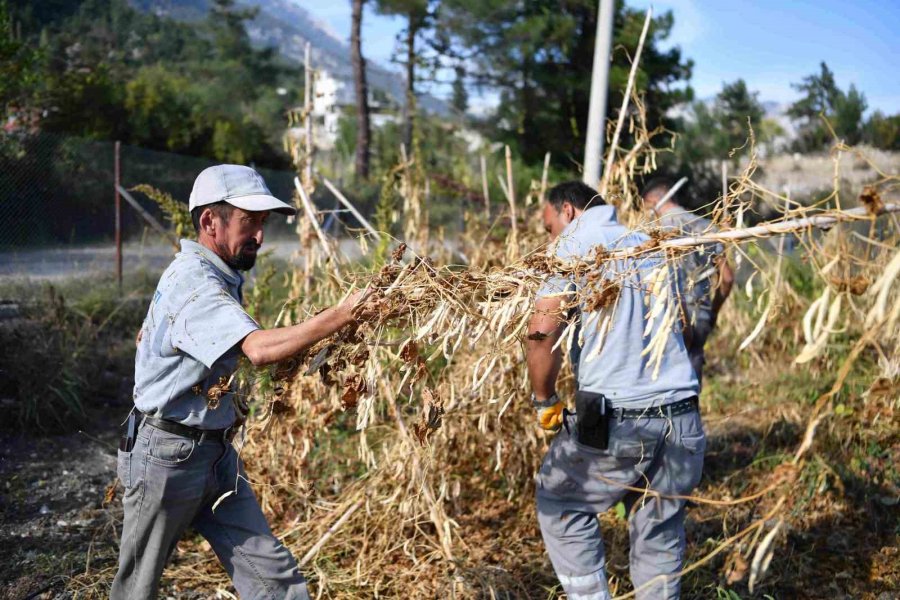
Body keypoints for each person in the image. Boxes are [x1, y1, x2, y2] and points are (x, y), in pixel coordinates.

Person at [112, 164, 368, 599]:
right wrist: (342, 315)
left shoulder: (214, 274)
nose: (260, 237)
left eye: (263, 223)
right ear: (210, 221)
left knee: (274, 579)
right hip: (166, 460)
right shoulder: (197, 281)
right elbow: (259, 350)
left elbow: (156, 332)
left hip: (214, 453)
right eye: (250, 222)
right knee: (138, 588)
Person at [527, 181, 705, 600]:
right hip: (684, 417)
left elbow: (540, 333)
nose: (550, 236)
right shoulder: (649, 244)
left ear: (567, 211)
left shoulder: (572, 247)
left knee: (561, 502)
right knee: (658, 527)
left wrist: (544, 398)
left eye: (549, 226)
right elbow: (681, 323)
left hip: (619, 419)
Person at [641, 177, 734, 387]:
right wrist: (713, 311)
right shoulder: (707, 228)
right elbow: (726, 278)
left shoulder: (655, 234)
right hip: (699, 312)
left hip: (667, 316)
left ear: (651, 203)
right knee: (690, 381)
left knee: (663, 381)